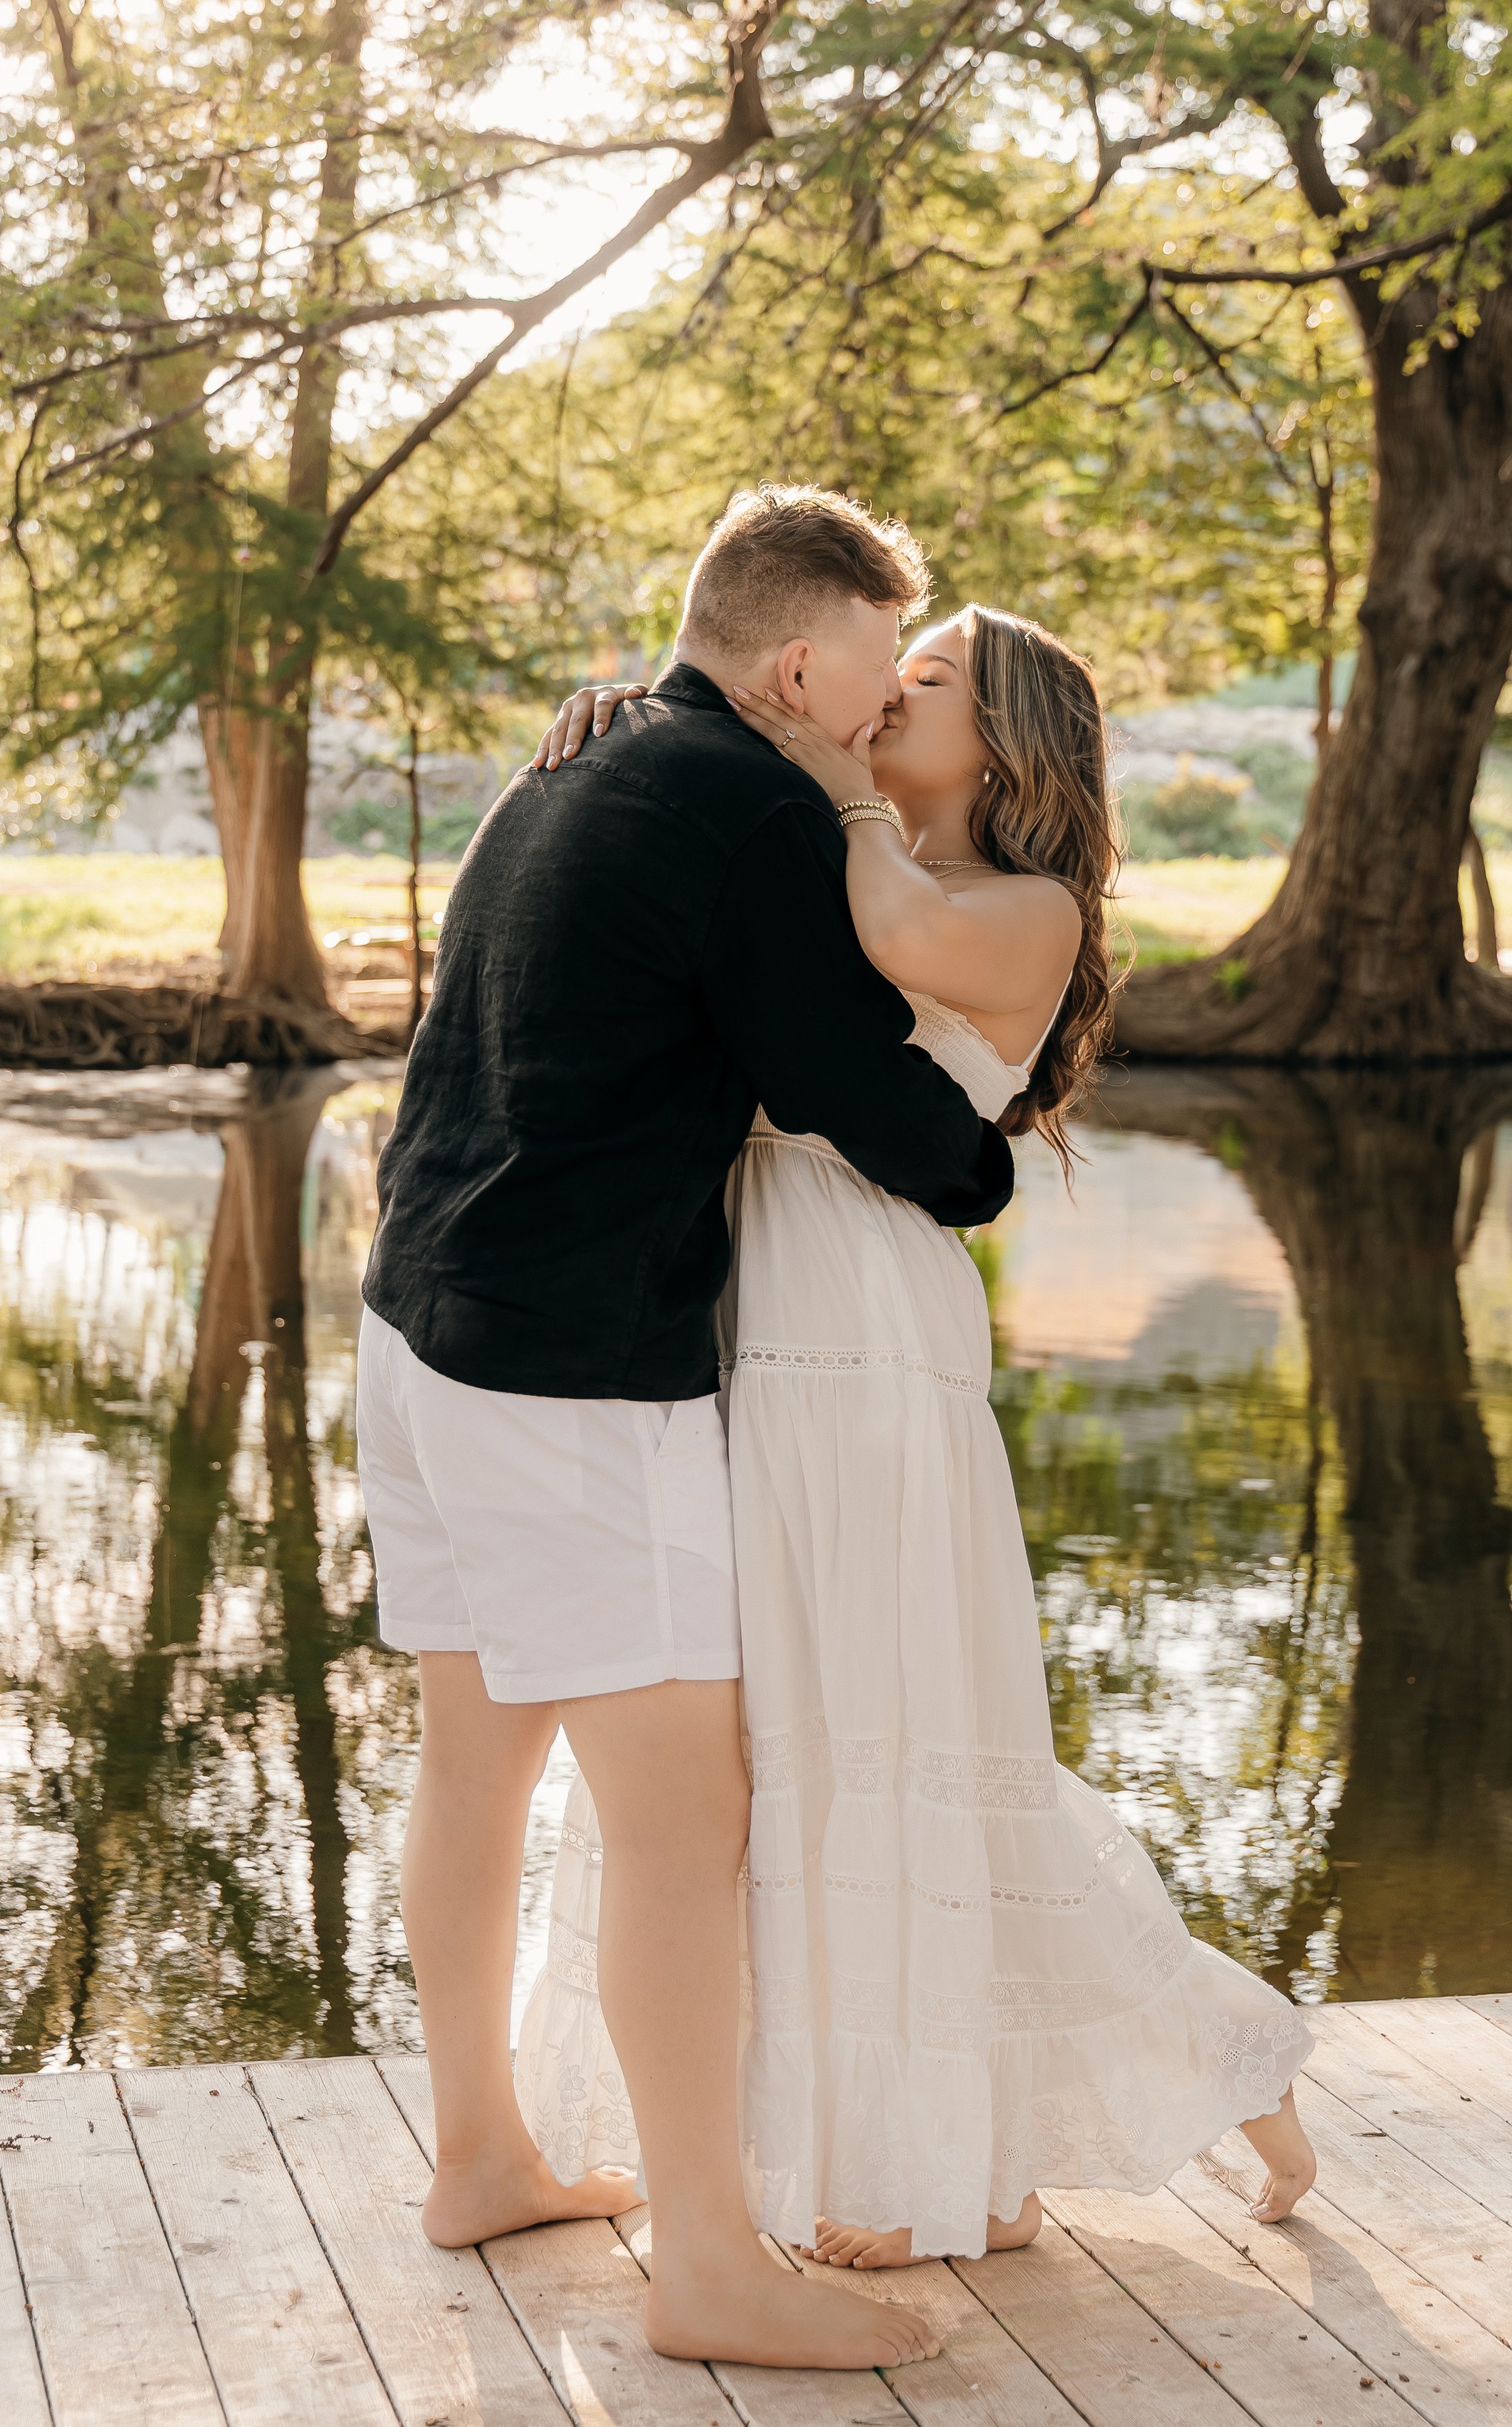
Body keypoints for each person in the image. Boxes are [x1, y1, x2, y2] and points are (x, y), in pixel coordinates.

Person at [518, 602, 1318, 2268]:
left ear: (1004, 740)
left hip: (866, 1329)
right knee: (770, 1749)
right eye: (888, 669)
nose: (887, 694)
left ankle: (964, 2142)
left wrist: (799, 752)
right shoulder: (831, 832)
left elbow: (877, 927)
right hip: (735, 1307)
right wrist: (654, 734)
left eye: (926, 681)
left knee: (881, 1734)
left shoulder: (1020, 909)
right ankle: (912, 2135)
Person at [356, 486, 1014, 2368]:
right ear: (796, 664)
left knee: (473, 1767)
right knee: (682, 1823)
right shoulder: (735, 800)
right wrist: (978, 1170)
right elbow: (839, 1080)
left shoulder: (581, 757)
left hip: (414, 1324)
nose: (886, 704)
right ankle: (708, 2260)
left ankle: (477, 2149)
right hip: (563, 1375)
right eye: (877, 669)